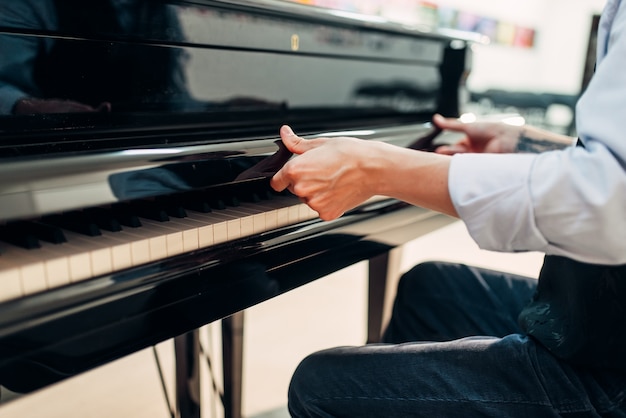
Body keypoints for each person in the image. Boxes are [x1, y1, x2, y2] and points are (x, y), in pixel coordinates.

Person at [269, 0, 626, 416]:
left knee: (317, 386)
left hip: (611, 373)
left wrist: (378, 168)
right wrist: (527, 146)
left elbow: (605, 203)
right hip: (598, 320)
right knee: (427, 289)